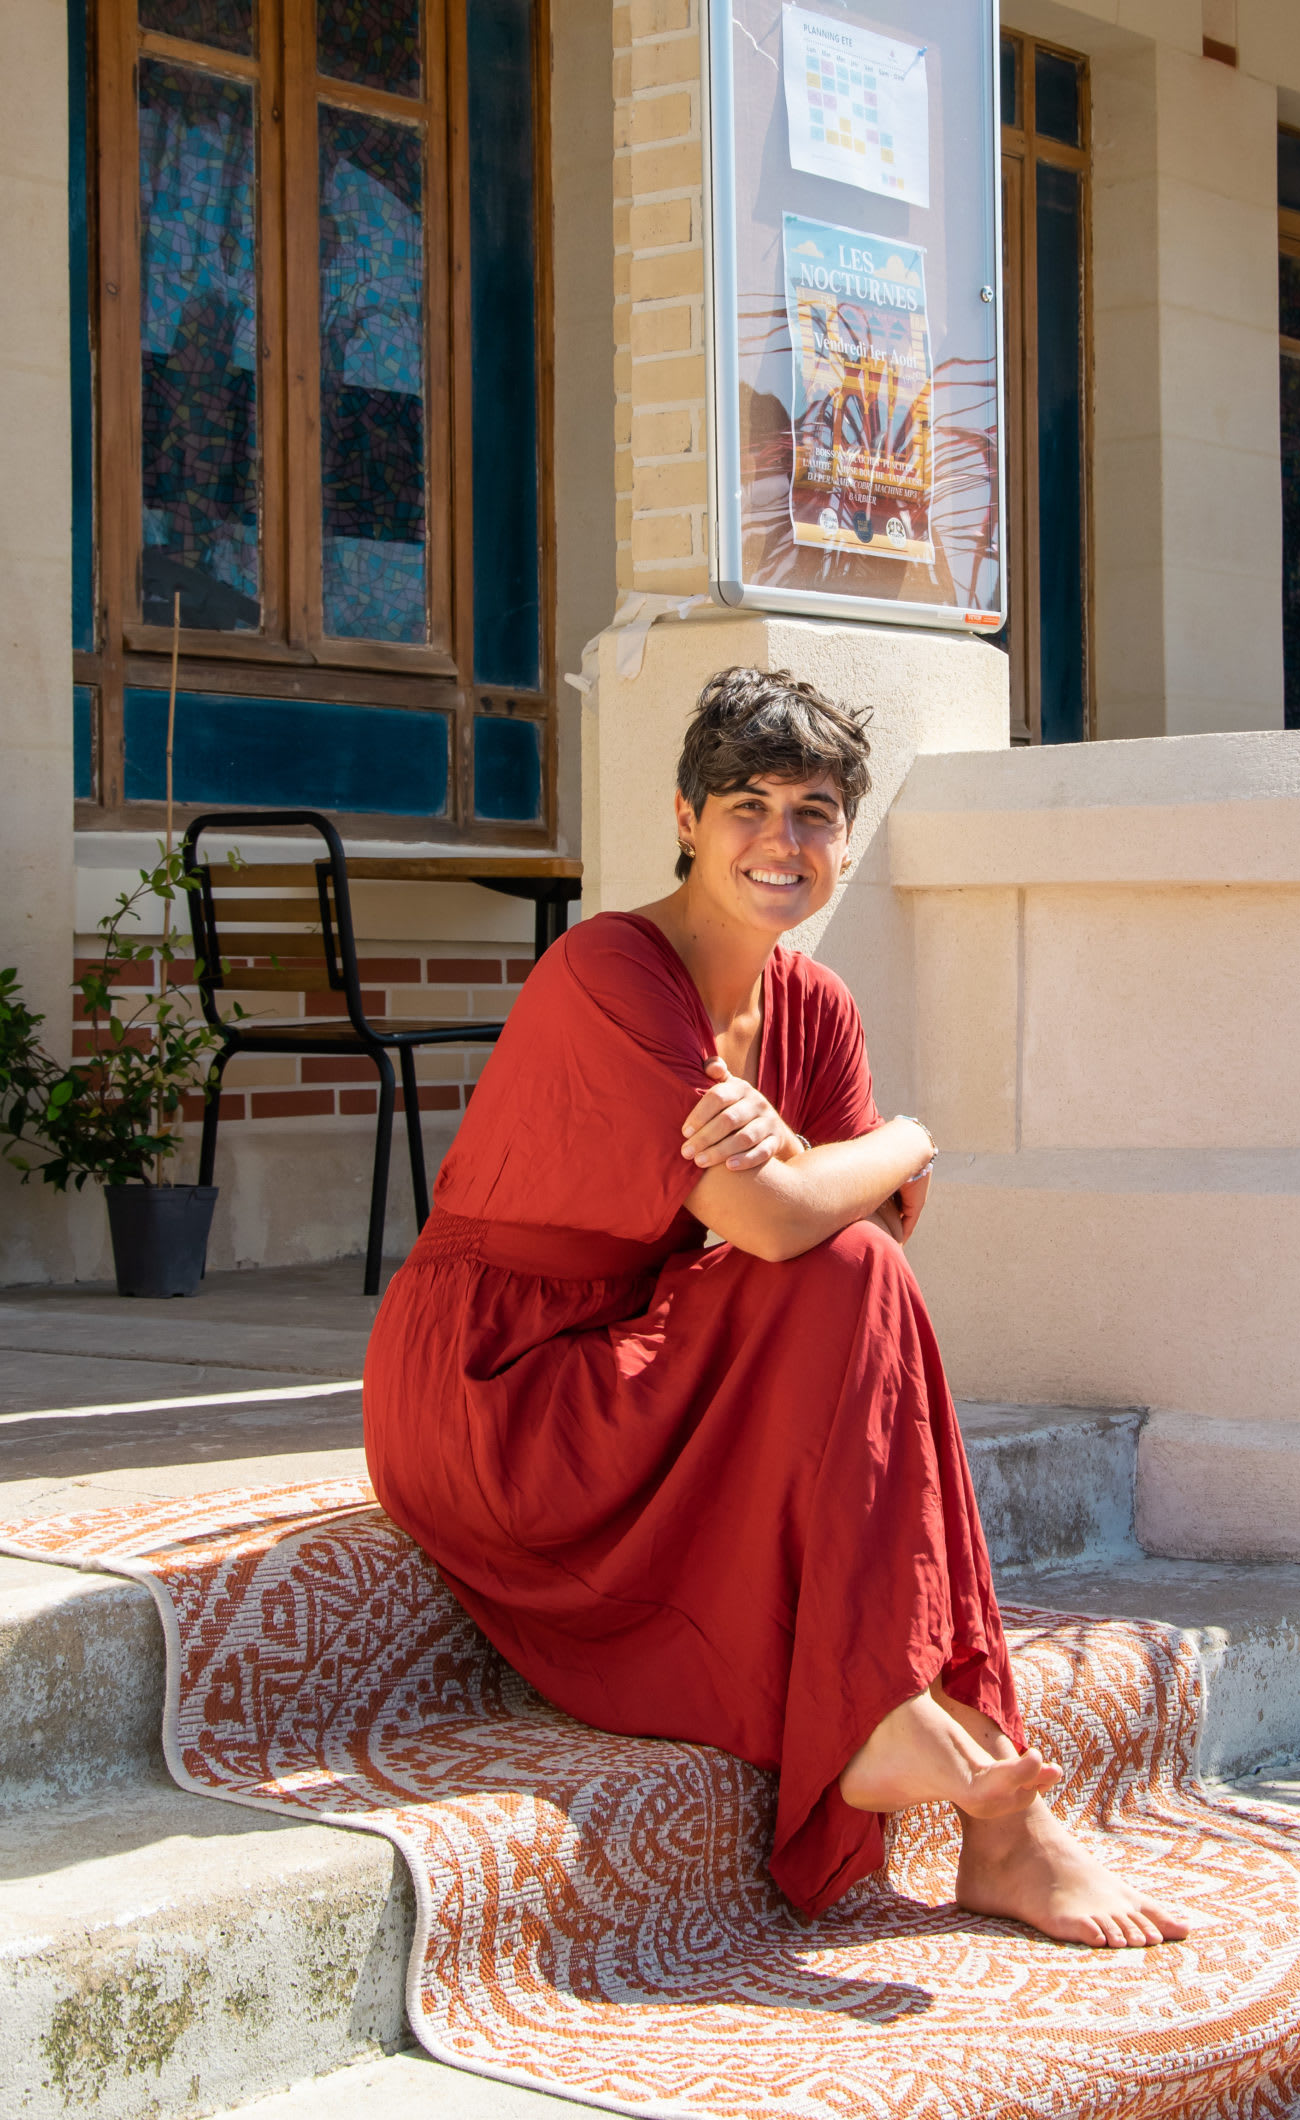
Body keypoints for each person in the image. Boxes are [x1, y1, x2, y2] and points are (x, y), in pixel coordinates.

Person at [365, 666, 1186, 1951]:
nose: (780, 840)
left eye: (813, 811)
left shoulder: (816, 1008)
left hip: (638, 1358)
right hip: (495, 1393)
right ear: (687, 818)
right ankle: (953, 1768)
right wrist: (904, 1138)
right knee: (843, 1265)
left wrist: (815, 1159)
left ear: (847, 841)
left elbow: (833, 1215)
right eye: (746, 803)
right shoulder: (608, 969)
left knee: (859, 1280)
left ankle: (985, 1804)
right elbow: (774, 1219)